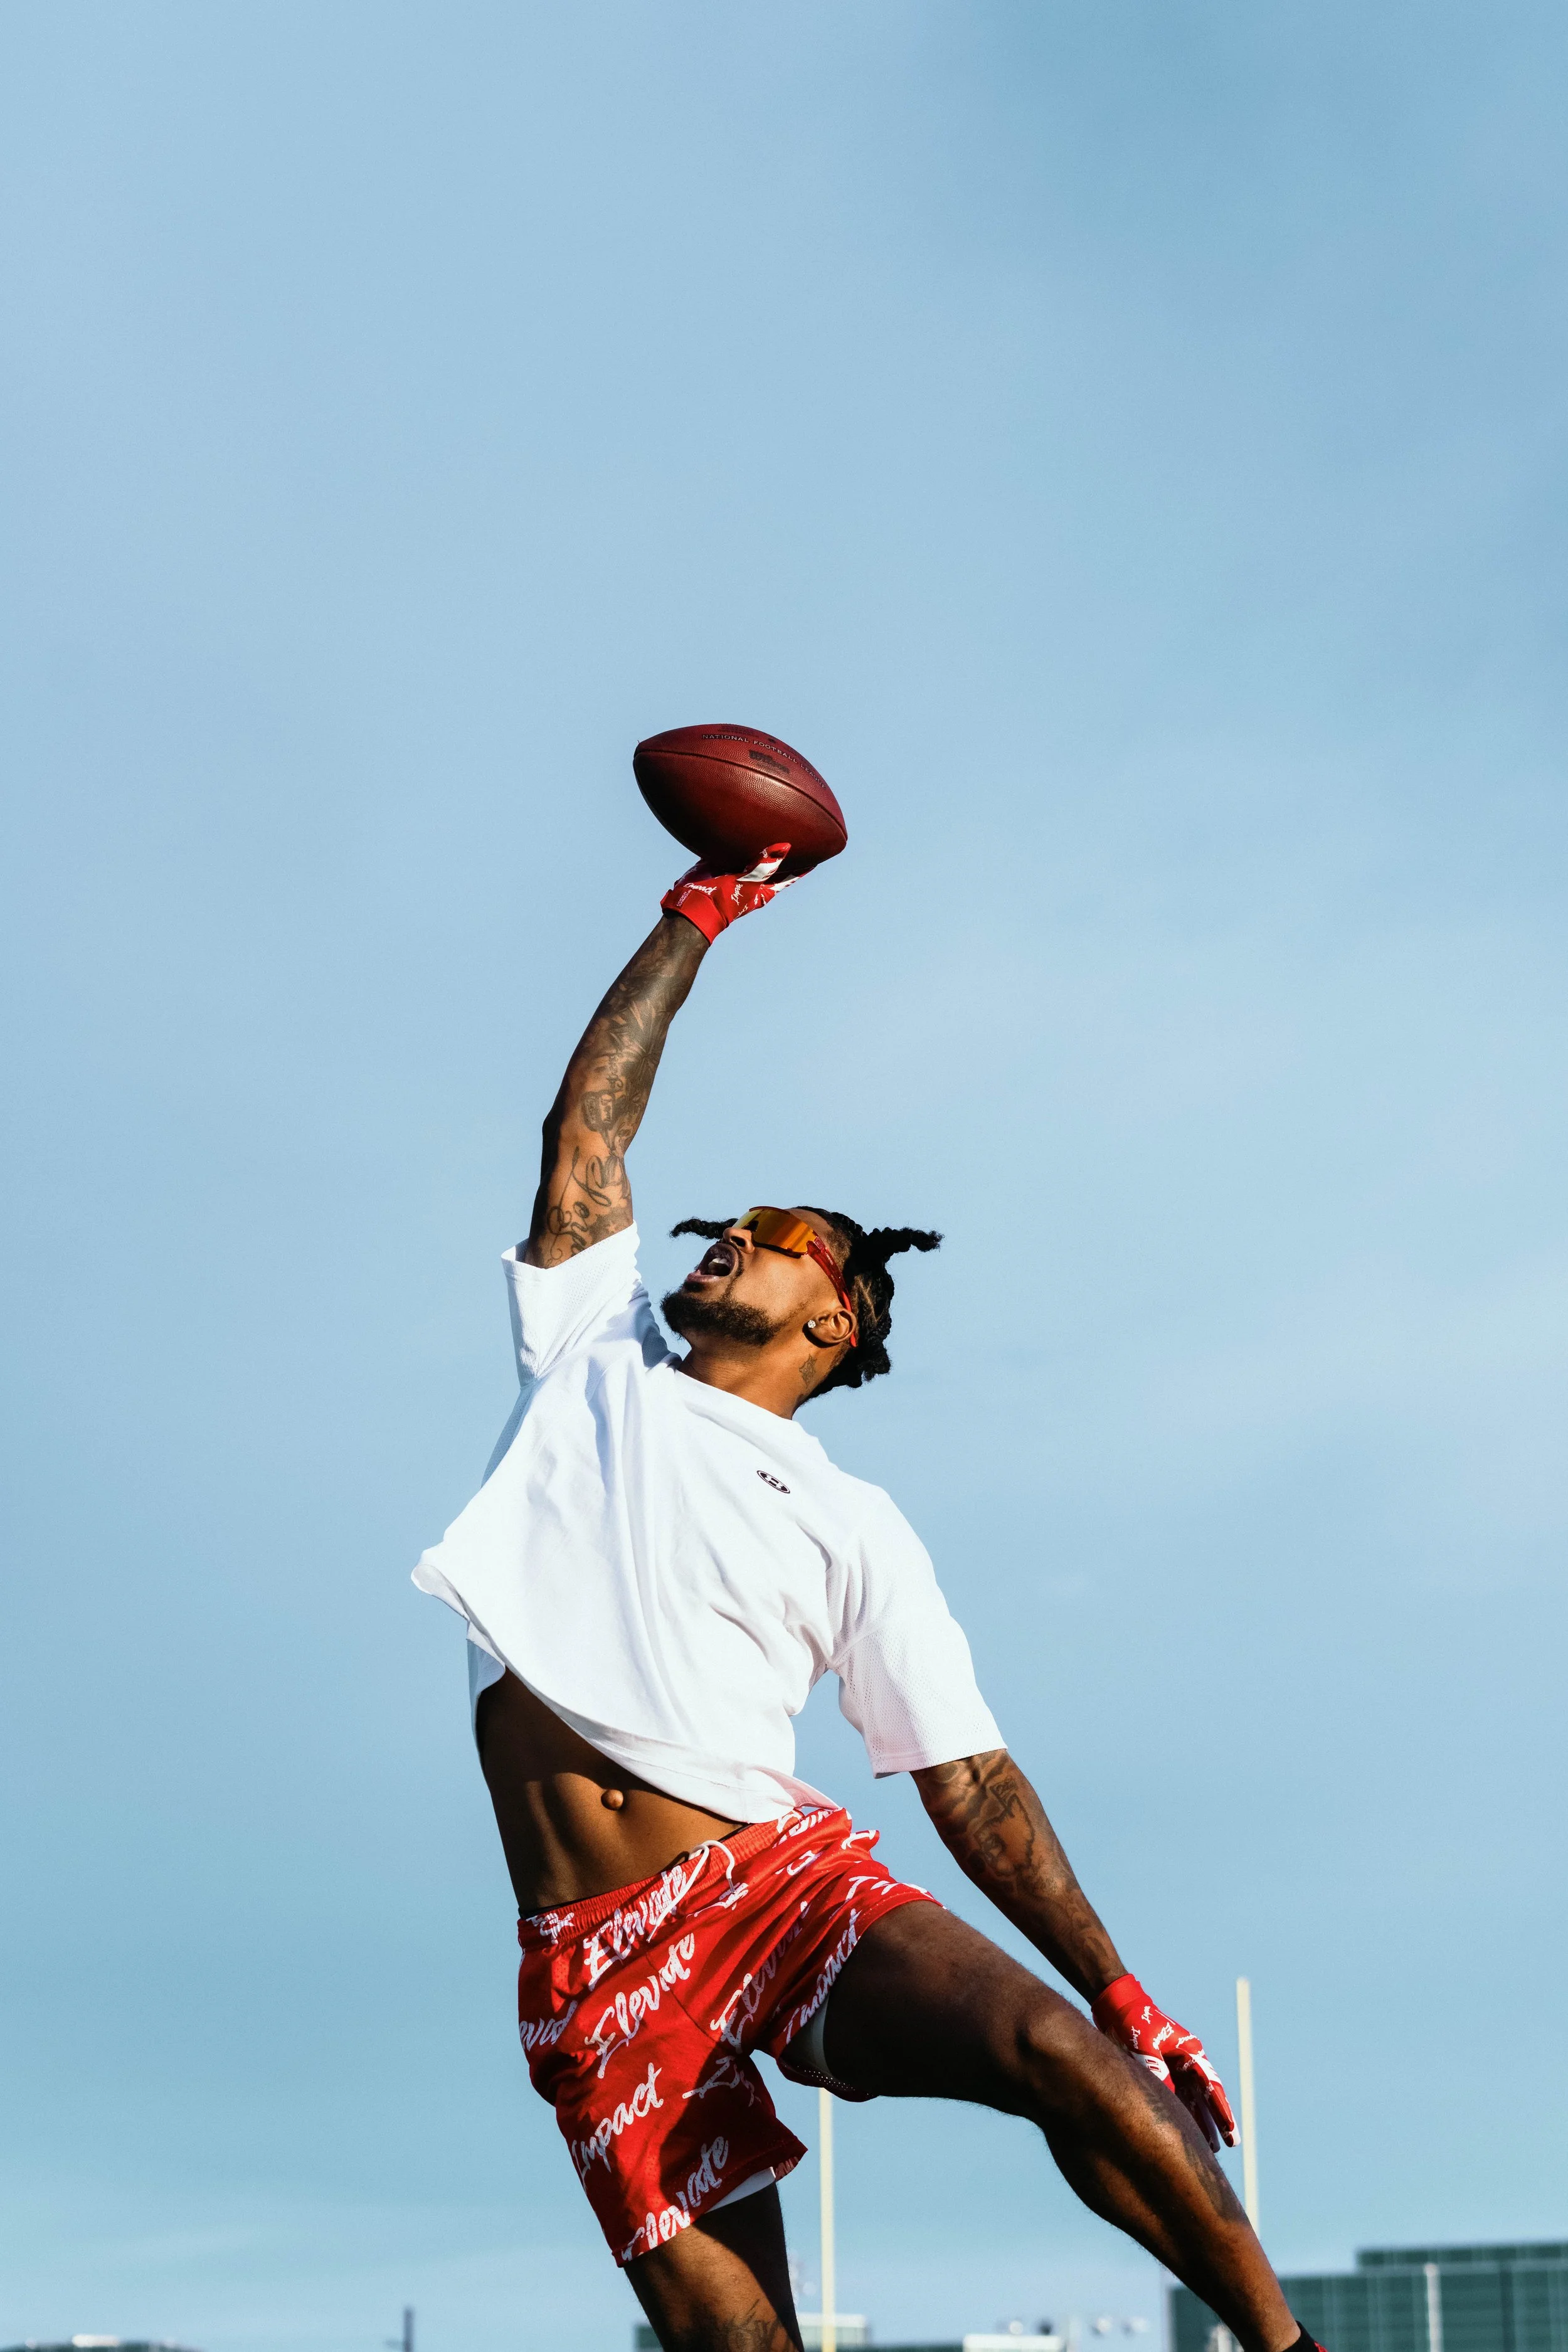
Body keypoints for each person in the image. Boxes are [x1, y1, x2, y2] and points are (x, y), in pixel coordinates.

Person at [413, 844, 1322, 2352]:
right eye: (729, 1227)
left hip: (765, 1890)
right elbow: (588, 1129)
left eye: (776, 1239)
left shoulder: (850, 1521)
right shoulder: (593, 1351)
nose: (733, 1237)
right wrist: (693, 914)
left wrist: (1118, 1988)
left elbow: (969, 1781)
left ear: (831, 1317)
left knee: (1065, 2053)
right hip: (591, 1961)